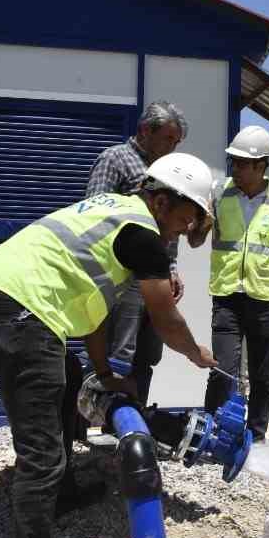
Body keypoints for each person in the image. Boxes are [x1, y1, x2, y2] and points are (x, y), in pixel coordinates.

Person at [0, 153, 219, 538]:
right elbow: (164, 316)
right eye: (184, 218)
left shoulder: (112, 216)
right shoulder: (143, 235)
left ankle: (62, 493)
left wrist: (105, 375)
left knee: (69, 373)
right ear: (161, 201)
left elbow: (93, 315)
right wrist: (197, 354)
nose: (182, 230)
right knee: (41, 454)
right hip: (19, 314)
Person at [195, 125, 269, 443]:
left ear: (262, 166)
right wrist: (202, 225)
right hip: (227, 296)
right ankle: (211, 435)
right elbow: (194, 239)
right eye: (233, 161)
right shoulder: (219, 193)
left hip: (264, 298)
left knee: (261, 376)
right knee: (222, 370)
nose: (236, 168)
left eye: (243, 163)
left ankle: (256, 437)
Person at [85, 101, 189, 405]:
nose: (172, 147)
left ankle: (134, 420)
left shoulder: (169, 172)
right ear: (145, 130)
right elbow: (93, 214)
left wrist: (171, 267)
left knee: (147, 354)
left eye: (177, 142)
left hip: (154, 278)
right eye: (168, 139)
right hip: (122, 280)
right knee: (117, 354)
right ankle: (92, 416)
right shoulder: (115, 159)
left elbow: (169, 225)